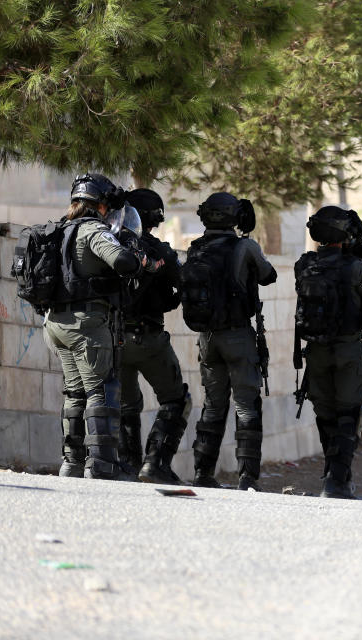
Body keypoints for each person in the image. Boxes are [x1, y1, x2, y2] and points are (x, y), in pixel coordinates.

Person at [45, 173, 163, 480]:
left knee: (74, 393)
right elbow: (122, 261)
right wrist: (141, 262)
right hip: (86, 324)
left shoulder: (59, 229)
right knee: (101, 390)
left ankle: (71, 463)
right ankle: (102, 465)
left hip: (56, 323)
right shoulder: (92, 229)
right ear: (99, 204)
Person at [294, 206, 362, 499]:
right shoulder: (355, 267)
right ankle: (337, 479)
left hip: (316, 351)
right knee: (349, 414)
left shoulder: (304, 265)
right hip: (347, 349)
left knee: (325, 414)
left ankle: (332, 473)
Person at [181, 192, 276, 491]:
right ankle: (247, 476)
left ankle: (203, 473)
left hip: (207, 339)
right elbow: (268, 275)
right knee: (246, 406)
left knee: (213, 406)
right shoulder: (244, 246)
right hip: (237, 336)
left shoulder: (195, 249)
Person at [113, 188, 192, 484]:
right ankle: (155, 464)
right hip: (148, 339)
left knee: (125, 405)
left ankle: (128, 465)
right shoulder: (160, 251)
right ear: (154, 218)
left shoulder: (110, 244)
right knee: (176, 400)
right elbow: (182, 285)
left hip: (115, 339)